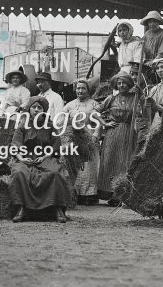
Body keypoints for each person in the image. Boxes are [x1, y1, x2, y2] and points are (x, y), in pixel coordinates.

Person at [9, 96, 73, 223]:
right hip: (25, 156)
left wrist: (43, 156)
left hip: (45, 157)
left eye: (40, 107)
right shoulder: (22, 125)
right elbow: (15, 145)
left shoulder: (50, 126)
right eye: (34, 107)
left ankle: (58, 209)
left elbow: (55, 147)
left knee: (55, 173)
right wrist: (22, 158)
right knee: (19, 173)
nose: (36, 110)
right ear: (29, 110)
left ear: (44, 110)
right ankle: (21, 208)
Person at [96, 71, 145, 205]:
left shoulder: (134, 98)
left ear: (129, 83)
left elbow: (145, 109)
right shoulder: (111, 99)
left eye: (124, 83)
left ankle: (123, 195)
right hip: (112, 134)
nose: (122, 85)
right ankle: (110, 193)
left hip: (129, 132)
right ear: (116, 85)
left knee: (125, 162)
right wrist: (104, 123)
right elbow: (95, 112)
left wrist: (140, 94)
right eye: (119, 83)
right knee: (110, 161)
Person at [60, 78, 101, 206]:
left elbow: (98, 121)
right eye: (78, 88)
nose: (80, 91)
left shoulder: (94, 104)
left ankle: (89, 195)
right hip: (74, 136)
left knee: (89, 165)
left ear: (88, 90)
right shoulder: (69, 105)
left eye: (83, 88)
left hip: (88, 135)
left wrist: (95, 135)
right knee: (75, 164)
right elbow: (61, 120)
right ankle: (75, 193)